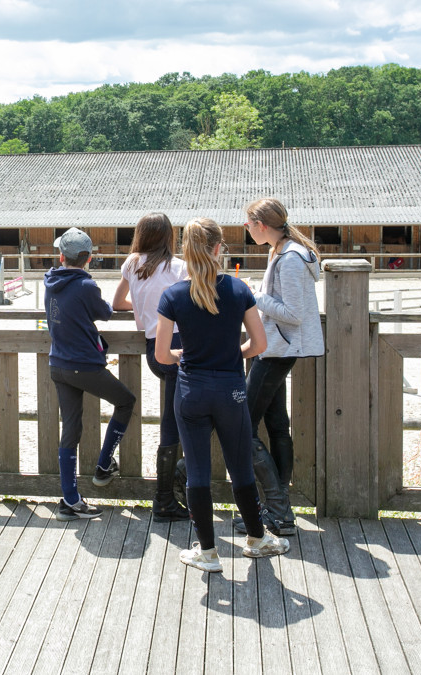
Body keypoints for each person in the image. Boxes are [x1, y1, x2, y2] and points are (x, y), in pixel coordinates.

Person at [155, 217, 289, 572]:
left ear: (186, 251)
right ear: (218, 249)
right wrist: (233, 356)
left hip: (191, 390)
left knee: (198, 472)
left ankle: (209, 553)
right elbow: (259, 344)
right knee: (240, 466)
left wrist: (181, 357)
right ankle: (258, 539)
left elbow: (161, 354)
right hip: (230, 389)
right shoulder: (238, 288)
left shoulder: (173, 295)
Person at [236, 198, 324, 537]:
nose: (245, 228)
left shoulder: (288, 258)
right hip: (276, 347)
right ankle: (279, 511)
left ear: (261, 224)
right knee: (276, 426)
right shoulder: (286, 251)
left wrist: (252, 294)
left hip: (277, 349)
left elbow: (294, 314)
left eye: (248, 222)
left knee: (242, 424)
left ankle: (276, 509)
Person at [44, 227, 137, 521]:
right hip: (83, 364)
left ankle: (70, 500)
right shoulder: (86, 286)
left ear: (61, 256)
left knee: (71, 429)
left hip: (58, 363)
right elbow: (105, 312)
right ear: (88, 258)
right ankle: (103, 464)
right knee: (125, 401)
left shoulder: (50, 282)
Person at [111, 212, 188, 521]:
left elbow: (117, 303)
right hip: (179, 346)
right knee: (183, 420)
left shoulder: (131, 264)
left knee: (175, 419)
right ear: (169, 236)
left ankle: (166, 495)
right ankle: (167, 495)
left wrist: (145, 308)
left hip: (152, 349)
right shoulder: (179, 267)